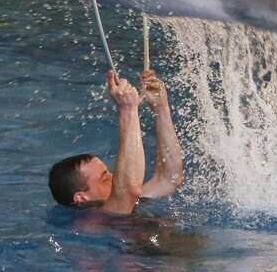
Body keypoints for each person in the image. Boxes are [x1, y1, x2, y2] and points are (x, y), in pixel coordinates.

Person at [48, 70, 183, 213]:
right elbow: (129, 191)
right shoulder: (94, 222)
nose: (115, 177)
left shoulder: (124, 203)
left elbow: (170, 179)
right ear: (81, 198)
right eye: (104, 178)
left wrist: (160, 108)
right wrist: (127, 109)